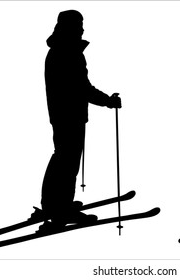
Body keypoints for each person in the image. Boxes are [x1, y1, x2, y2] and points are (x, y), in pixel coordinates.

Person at [40, 10, 121, 230]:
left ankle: (52, 203)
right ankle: (60, 208)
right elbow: (82, 88)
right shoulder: (69, 52)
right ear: (71, 27)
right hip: (70, 114)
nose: (83, 28)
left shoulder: (58, 50)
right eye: (79, 24)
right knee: (68, 161)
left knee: (62, 157)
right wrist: (107, 101)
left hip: (61, 114)